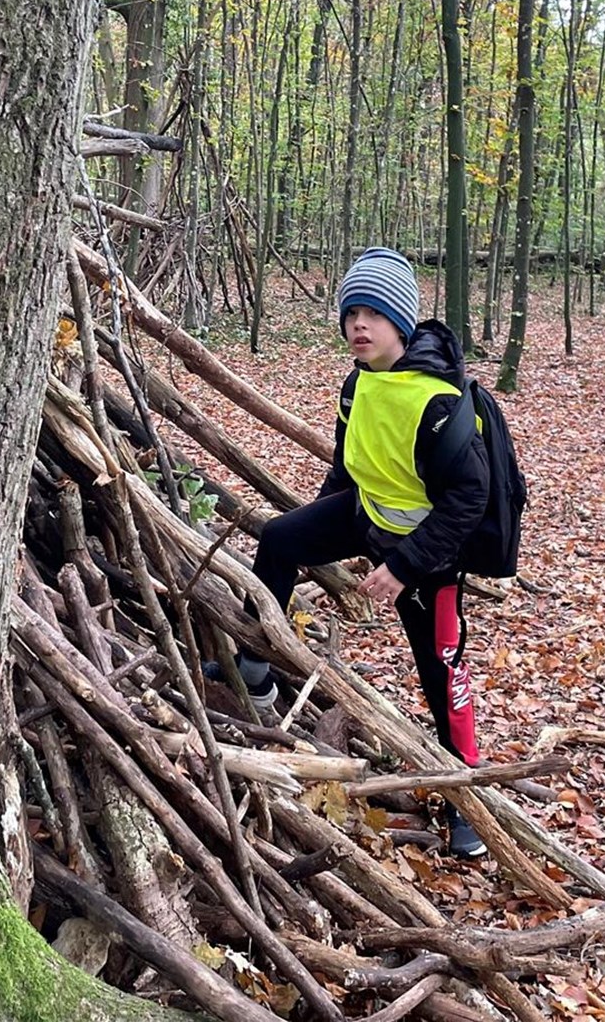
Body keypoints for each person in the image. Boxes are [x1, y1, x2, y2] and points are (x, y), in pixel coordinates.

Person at [224, 247, 492, 859]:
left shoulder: (440, 403)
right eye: (351, 314)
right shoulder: (359, 382)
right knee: (280, 537)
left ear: (402, 323)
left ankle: (466, 798)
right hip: (367, 517)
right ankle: (254, 666)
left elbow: (468, 501)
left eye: (373, 314)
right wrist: (320, 525)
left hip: (430, 557)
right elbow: (348, 467)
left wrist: (402, 567)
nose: (359, 326)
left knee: (441, 670)